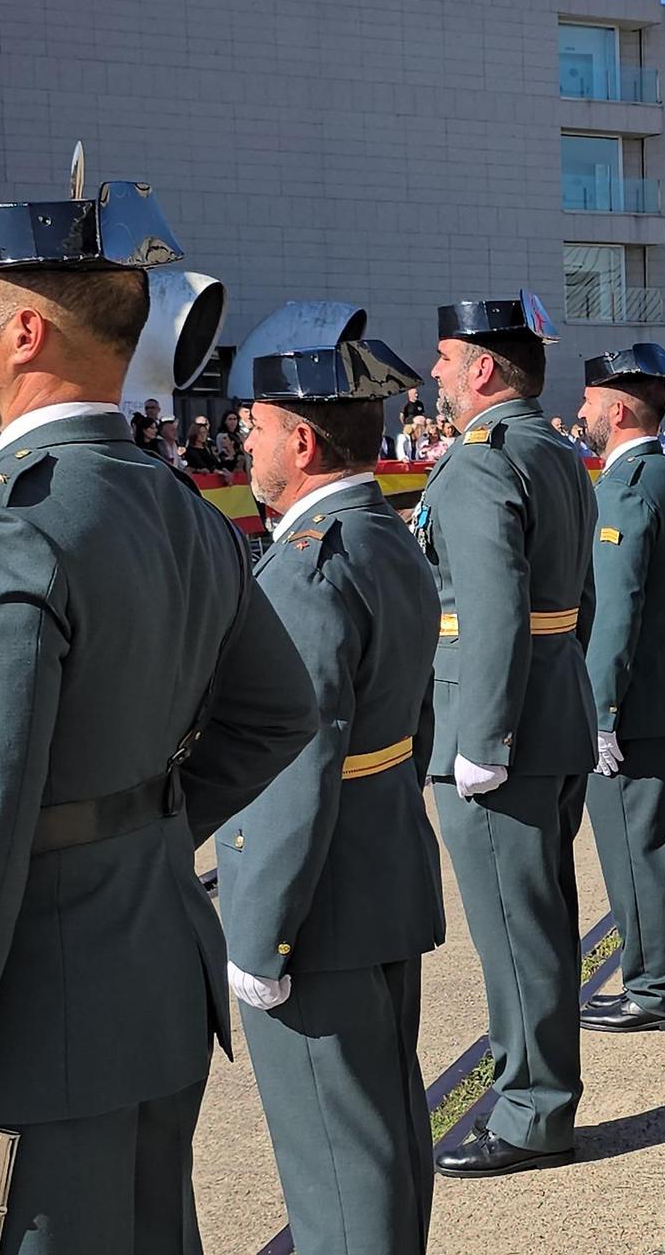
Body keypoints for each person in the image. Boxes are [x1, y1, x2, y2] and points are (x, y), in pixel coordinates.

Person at [0, 177, 316, 1254]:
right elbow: (275, 712)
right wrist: (138, 822)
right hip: (154, 972)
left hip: (28, 1021)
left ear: (24, 332)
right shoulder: (176, 503)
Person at [226, 338, 442, 1255]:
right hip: (380, 859)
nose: (248, 447)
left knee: (336, 1162)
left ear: (304, 442)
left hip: (315, 899)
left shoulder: (312, 562)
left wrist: (260, 927)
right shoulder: (386, 534)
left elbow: (295, 754)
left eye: (259, 428)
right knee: (384, 1133)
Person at [418, 291, 595, 1178]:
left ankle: (531, 1110)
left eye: (446, 361)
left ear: (483, 368)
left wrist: (483, 736)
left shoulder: (484, 460)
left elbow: (488, 604)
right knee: (542, 918)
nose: (437, 376)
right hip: (552, 708)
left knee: (516, 929)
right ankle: (538, 1084)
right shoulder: (553, 449)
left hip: (502, 729)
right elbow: (579, 599)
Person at [575, 344, 665, 1033]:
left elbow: (616, 610)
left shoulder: (628, 485)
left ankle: (656, 987)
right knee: (657, 849)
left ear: (618, 408)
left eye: (591, 402)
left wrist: (600, 712)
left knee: (639, 854)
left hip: (634, 705)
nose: (581, 412)